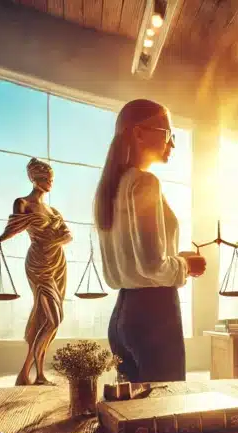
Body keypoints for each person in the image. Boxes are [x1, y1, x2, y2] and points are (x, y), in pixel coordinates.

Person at [94, 99, 206, 383]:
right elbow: (152, 264)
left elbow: (133, 258)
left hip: (122, 313)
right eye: (167, 133)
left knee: (133, 412)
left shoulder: (110, 187)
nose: (173, 144)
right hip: (155, 314)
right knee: (165, 409)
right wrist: (185, 265)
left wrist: (176, 257)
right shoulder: (146, 182)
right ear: (139, 133)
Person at [0, 158, 72, 386]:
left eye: (51, 179)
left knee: (45, 319)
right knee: (54, 319)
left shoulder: (53, 210)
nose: (49, 183)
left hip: (57, 263)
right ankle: (38, 374)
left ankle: (28, 373)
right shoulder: (23, 203)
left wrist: (55, 241)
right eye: (44, 178)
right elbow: (15, 226)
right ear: (33, 179)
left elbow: (68, 235)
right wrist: (1, 238)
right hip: (38, 264)